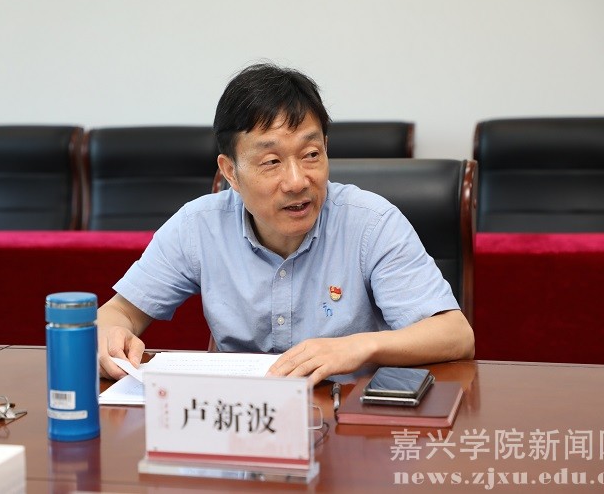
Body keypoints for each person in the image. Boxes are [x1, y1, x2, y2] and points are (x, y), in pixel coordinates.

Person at [97, 62, 474, 385]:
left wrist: (359, 347)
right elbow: (119, 312)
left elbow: (455, 335)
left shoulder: (371, 223)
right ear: (230, 172)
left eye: (311, 154)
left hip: (346, 419)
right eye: (272, 162)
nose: (297, 181)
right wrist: (108, 337)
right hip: (240, 420)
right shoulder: (198, 226)